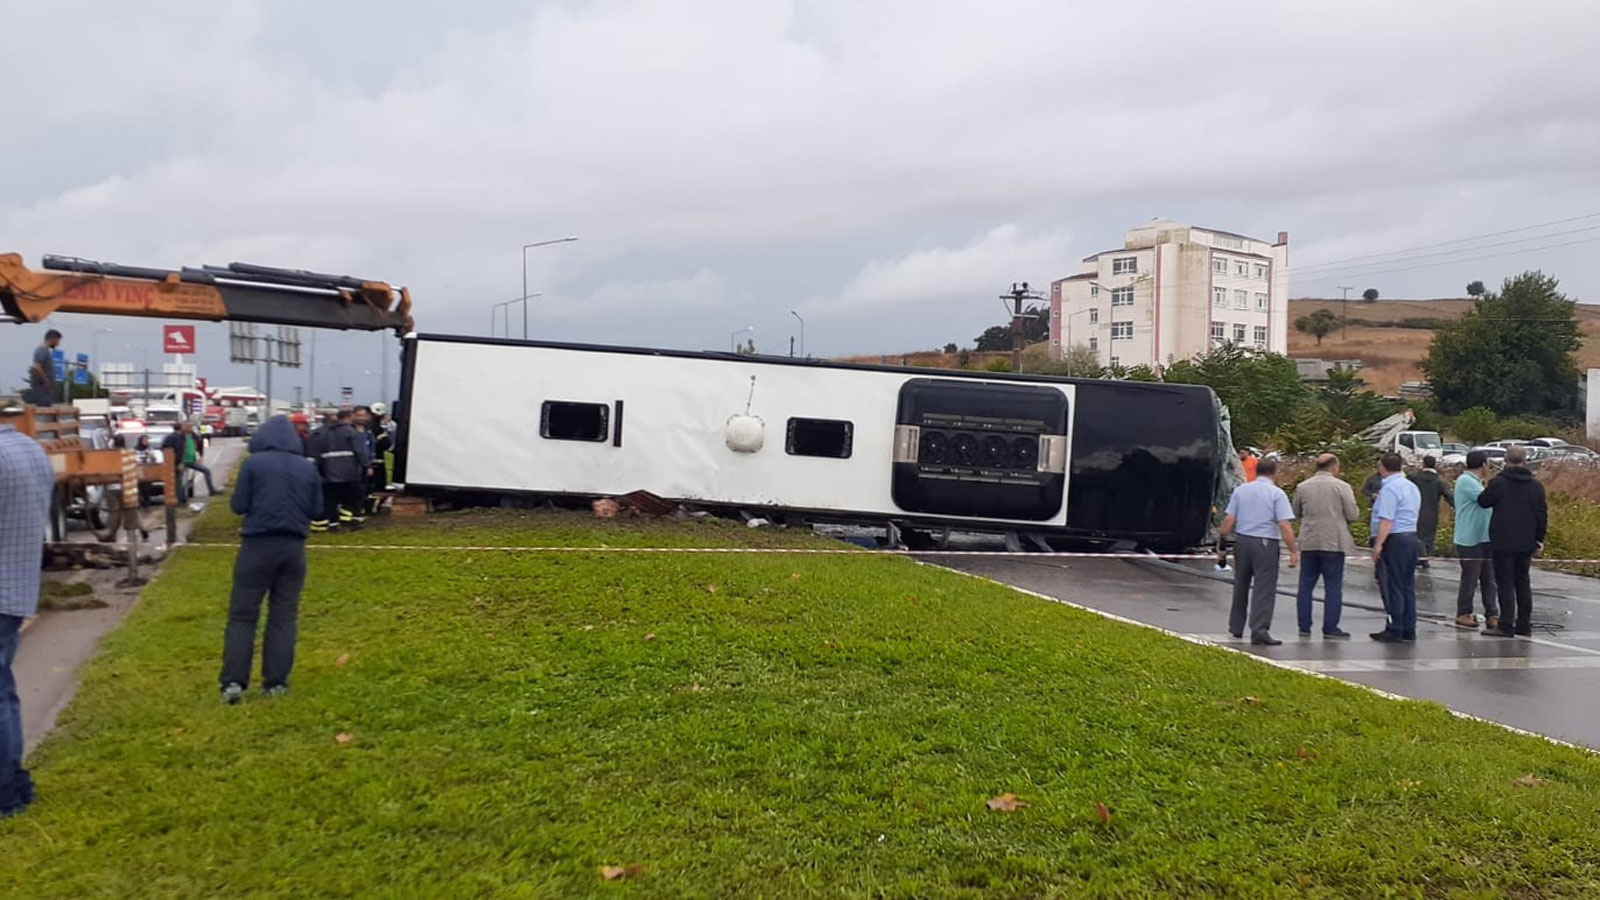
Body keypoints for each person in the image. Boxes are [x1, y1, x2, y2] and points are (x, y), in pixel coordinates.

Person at [220, 415, 323, 703]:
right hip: (293, 548)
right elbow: (317, 510)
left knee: (243, 615)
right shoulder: (307, 467)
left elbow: (238, 505)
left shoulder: (253, 464)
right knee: (283, 615)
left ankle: (233, 683)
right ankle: (276, 683)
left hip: (257, 545)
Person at [0, 413, 54, 816]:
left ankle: (7, 795)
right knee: (5, 693)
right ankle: (17, 784)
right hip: (17, 587)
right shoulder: (30, 448)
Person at [1217, 456, 1299, 646]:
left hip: (1242, 541)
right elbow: (1284, 525)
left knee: (1240, 584)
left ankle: (1236, 627)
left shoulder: (1241, 490)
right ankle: (1259, 630)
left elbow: (1229, 519)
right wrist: (1293, 550)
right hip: (1265, 542)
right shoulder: (1276, 494)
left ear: (1256, 471)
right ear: (1274, 473)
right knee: (1264, 587)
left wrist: (1222, 541)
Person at [1477, 445, 1548, 637]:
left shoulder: (1499, 483)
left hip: (1503, 540)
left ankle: (1506, 624)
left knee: (1505, 583)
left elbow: (1483, 501)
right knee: (1523, 582)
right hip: (1526, 540)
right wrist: (1539, 539)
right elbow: (1542, 514)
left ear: (1505, 461)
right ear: (1525, 461)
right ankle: (1524, 624)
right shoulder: (1536, 486)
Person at [1291, 453, 1358, 638]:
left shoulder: (1302, 487)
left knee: (1305, 585)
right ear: (1334, 467)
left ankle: (1304, 626)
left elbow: (1296, 511)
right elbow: (1352, 514)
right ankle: (1330, 627)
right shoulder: (1342, 487)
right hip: (1333, 541)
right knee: (1333, 587)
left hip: (1309, 540)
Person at [1370, 453, 1423, 642]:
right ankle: (1409, 627)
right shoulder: (1411, 487)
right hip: (1410, 536)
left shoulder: (1389, 490)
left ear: (1382, 467)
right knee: (1407, 584)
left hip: (1394, 538)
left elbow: (1387, 519)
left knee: (1392, 585)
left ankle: (1395, 626)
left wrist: (1378, 545)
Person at [1452, 450, 1499, 630]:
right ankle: (1463, 612)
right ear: (1483, 465)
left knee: (1489, 578)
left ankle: (1492, 613)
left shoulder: (1476, 482)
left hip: (1484, 537)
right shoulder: (1466, 481)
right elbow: (1484, 500)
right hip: (1469, 538)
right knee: (1470, 577)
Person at [313, 408, 370, 531]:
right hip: (349, 472)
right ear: (348, 418)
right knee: (356, 496)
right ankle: (354, 520)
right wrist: (366, 465)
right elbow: (359, 451)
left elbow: (317, 454)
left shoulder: (322, 434)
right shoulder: (351, 432)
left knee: (331, 499)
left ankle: (333, 524)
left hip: (329, 473)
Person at [1406, 455, 1453, 568]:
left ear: (1424, 464)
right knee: (1429, 536)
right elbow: (1449, 496)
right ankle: (1425, 557)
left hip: (1415, 510)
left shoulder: (1414, 477)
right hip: (1432, 511)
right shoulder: (1439, 481)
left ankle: (1419, 556)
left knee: (1416, 535)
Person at [161, 421, 216, 502]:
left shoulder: (194, 436)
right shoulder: (177, 437)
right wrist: (178, 462)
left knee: (206, 471)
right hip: (181, 461)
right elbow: (173, 449)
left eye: (191, 426)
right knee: (180, 481)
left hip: (191, 460)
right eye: (188, 426)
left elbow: (200, 444)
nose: (190, 428)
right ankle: (181, 499)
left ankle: (212, 491)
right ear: (183, 427)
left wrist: (200, 456)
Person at [24, 329, 61, 406]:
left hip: (44, 386)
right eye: (57, 341)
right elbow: (37, 367)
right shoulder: (42, 350)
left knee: (46, 406)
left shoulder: (45, 351)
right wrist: (45, 381)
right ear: (52, 339)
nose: (58, 344)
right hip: (42, 386)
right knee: (43, 407)